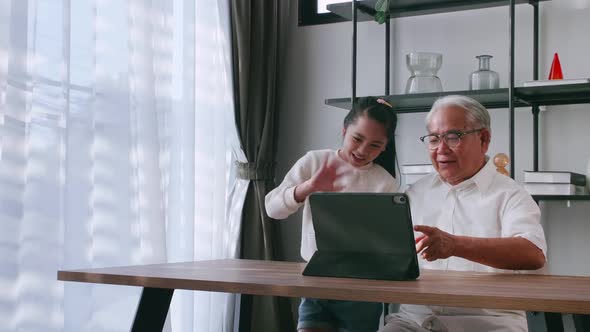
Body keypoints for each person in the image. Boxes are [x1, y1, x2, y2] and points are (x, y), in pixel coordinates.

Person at [380, 95, 547, 332]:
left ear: (484, 139)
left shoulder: (512, 194)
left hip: (488, 324)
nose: (441, 149)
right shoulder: (414, 193)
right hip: (414, 322)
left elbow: (533, 254)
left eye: (453, 136)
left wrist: (455, 245)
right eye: (434, 139)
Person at [265, 96, 399, 332]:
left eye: (374, 145)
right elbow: (272, 209)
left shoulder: (385, 183)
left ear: (385, 147)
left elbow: (388, 244)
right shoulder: (315, 161)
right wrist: (308, 187)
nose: (362, 150)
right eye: (357, 139)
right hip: (315, 281)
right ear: (344, 130)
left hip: (362, 290)